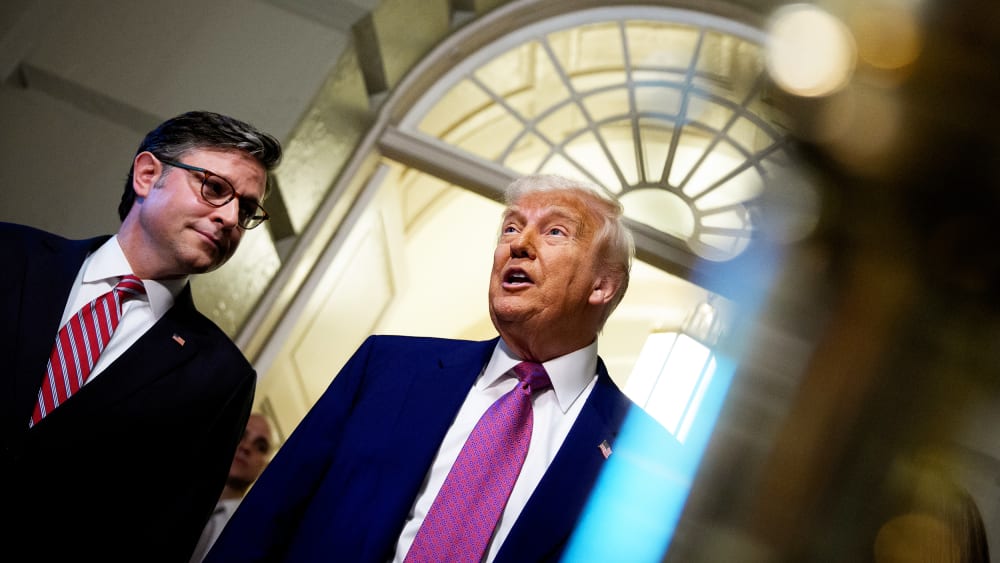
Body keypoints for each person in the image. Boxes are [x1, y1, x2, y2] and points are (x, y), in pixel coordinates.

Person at [205, 174, 673, 562]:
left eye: (555, 232)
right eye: (510, 229)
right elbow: (268, 516)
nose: (519, 245)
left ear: (603, 286)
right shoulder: (386, 368)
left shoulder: (646, 459)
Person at [0, 110, 282, 561]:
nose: (230, 217)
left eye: (246, 209)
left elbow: (162, 536)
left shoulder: (221, 378)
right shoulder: (10, 255)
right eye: (215, 189)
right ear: (148, 175)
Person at [189, 413, 275, 563]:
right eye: (242, 433)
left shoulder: (253, 537)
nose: (246, 447)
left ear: (265, 467)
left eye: (261, 447)